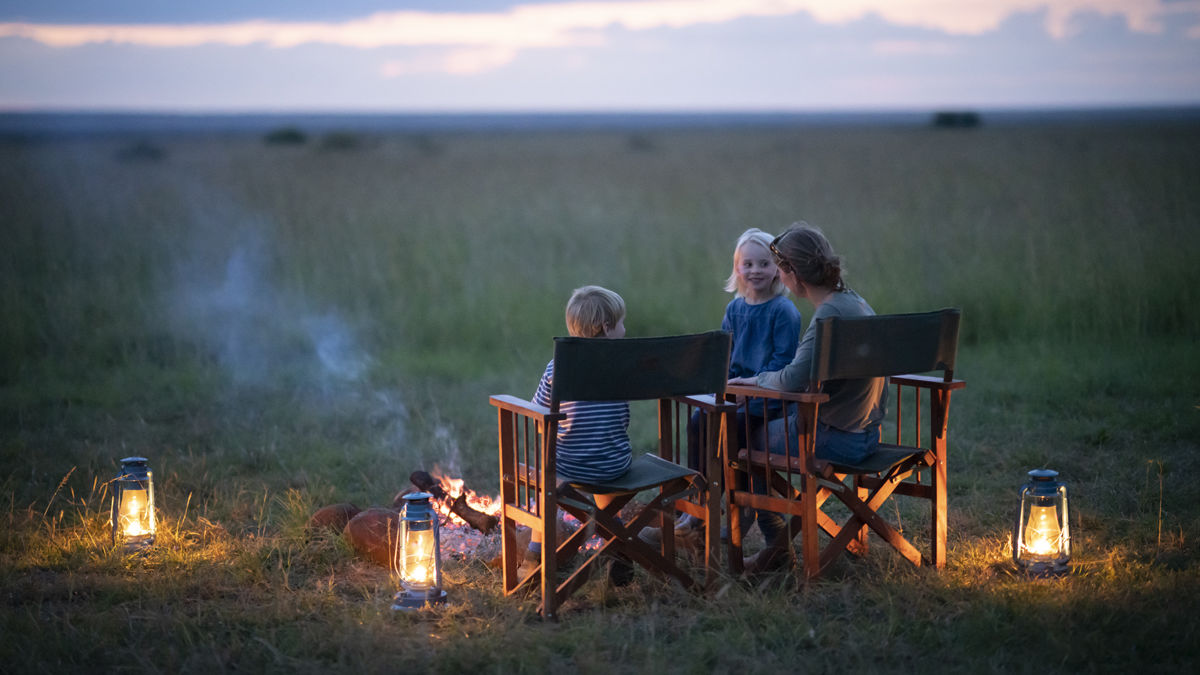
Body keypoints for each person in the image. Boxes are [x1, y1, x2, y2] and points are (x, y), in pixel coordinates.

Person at [727, 222, 888, 573]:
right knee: (758, 434)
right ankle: (776, 546)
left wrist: (750, 382)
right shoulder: (855, 301)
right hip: (866, 433)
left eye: (781, 271)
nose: (780, 280)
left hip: (836, 437)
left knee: (746, 441)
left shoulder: (829, 315)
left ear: (792, 273)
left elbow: (790, 379)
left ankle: (774, 546)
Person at [675, 228, 802, 537]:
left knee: (732, 435)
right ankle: (701, 501)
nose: (755, 270)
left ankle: (741, 512)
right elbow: (725, 357)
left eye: (764, 264)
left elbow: (783, 364)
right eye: (748, 264)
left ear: (777, 269)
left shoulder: (784, 311)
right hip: (735, 393)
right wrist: (723, 385)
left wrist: (748, 390)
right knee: (697, 423)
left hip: (769, 398)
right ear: (737, 268)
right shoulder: (734, 308)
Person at [520, 285, 634, 583]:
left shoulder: (557, 367)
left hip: (568, 469)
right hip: (614, 465)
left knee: (549, 489)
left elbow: (538, 412)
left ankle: (534, 555)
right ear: (607, 328)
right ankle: (619, 547)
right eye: (621, 323)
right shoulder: (622, 367)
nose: (625, 329)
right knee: (608, 491)